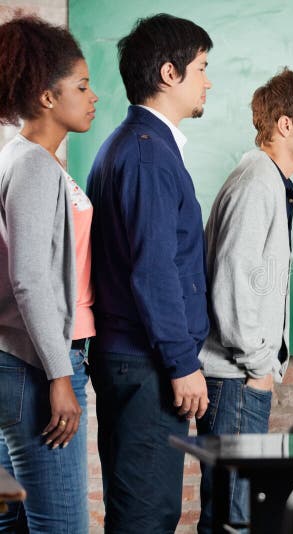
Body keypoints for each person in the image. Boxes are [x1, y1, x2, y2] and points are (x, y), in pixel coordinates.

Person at [85, 14, 212, 532]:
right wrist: (182, 364)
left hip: (134, 359)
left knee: (141, 507)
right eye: (202, 68)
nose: (208, 80)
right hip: (144, 363)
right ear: (169, 73)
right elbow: (153, 270)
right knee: (146, 515)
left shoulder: (139, 146)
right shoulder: (147, 156)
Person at [196, 68, 293, 533]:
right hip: (236, 377)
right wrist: (258, 365)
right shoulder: (258, 183)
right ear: (285, 125)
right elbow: (233, 281)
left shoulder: (267, 180)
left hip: (240, 374)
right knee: (235, 518)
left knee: (232, 511)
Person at [0, 15, 98, 533]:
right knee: (62, 527)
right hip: (37, 369)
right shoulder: (34, 164)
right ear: (44, 96)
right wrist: (60, 375)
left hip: (22, 363)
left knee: (15, 525)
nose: (92, 96)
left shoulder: (26, 159)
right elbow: (30, 279)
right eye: (81, 86)